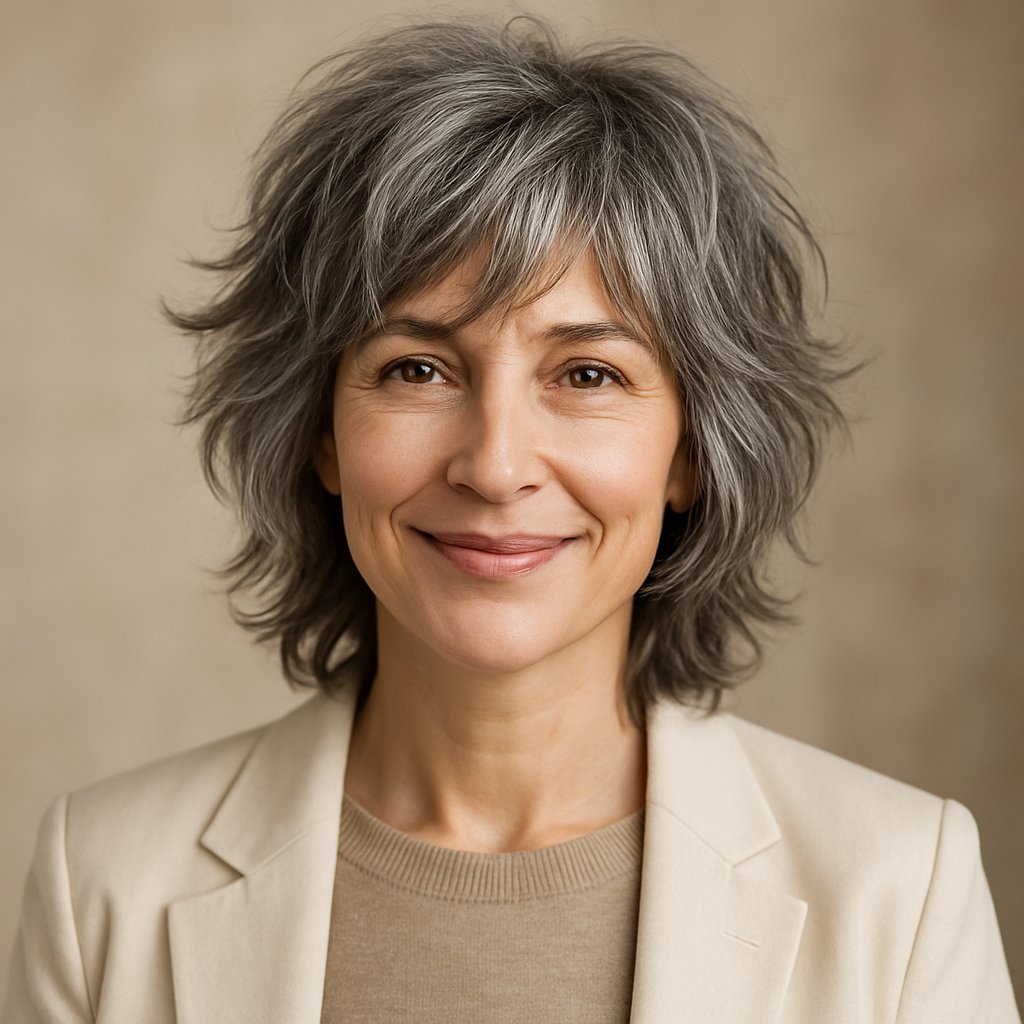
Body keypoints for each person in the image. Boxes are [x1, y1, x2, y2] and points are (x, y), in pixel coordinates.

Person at [4, 16, 1019, 1024]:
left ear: (694, 452)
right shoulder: (104, 884)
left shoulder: (898, 886)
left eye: (587, 373)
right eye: (417, 367)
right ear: (318, 430)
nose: (493, 464)